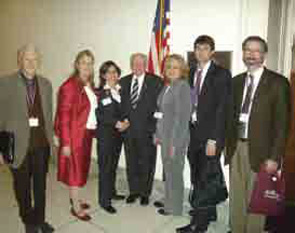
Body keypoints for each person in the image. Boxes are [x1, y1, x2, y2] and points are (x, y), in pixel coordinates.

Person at [225, 36, 290, 233]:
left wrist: (275, 157)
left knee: (257, 196)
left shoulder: (278, 83)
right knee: (237, 194)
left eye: (256, 50)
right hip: (236, 146)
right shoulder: (236, 81)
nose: (251, 54)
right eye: (247, 50)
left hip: (263, 150)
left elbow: (282, 124)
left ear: (264, 54)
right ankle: (237, 229)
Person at [177, 35, 232, 233]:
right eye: (197, 48)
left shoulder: (222, 74)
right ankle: (208, 212)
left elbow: (222, 110)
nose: (200, 52)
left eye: (205, 48)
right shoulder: (191, 72)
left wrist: (214, 140)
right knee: (197, 175)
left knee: (205, 178)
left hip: (210, 137)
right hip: (192, 133)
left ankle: (199, 225)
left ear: (212, 52)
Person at [0, 44, 54, 233]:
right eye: (26, 58)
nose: (31, 62)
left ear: (39, 61)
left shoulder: (46, 84)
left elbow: (48, 115)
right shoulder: (6, 83)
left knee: (41, 187)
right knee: (22, 187)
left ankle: (40, 219)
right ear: (20, 60)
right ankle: (28, 221)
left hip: (41, 145)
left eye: (34, 59)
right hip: (17, 146)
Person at [54, 50, 97, 221]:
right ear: (77, 65)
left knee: (80, 169)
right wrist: (65, 143)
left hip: (85, 135)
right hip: (74, 137)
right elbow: (63, 115)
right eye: (83, 62)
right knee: (74, 172)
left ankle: (76, 198)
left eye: (90, 62)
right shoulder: (70, 85)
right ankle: (76, 207)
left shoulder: (88, 84)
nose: (87, 66)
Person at [120, 53, 163, 205]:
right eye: (134, 63)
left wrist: (156, 130)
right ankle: (134, 191)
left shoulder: (156, 81)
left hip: (148, 131)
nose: (137, 66)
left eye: (140, 63)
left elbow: (160, 107)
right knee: (131, 162)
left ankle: (145, 193)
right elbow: (120, 106)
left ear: (145, 65)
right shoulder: (123, 82)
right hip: (128, 131)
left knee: (147, 162)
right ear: (131, 65)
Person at [154, 54, 191, 216]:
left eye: (175, 67)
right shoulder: (167, 86)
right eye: (168, 66)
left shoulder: (182, 87)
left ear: (182, 70)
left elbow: (182, 119)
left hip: (175, 139)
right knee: (168, 171)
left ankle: (174, 208)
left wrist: (174, 144)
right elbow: (161, 113)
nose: (171, 70)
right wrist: (157, 133)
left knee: (174, 173)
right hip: (165, 136)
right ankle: (169, 201)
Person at [95, 61, 126, 214]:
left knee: (112, 166)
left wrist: (126, 121)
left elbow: (125, 109)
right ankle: (104, 200)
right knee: (105, 168)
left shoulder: (121, 90)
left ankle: (111, 192)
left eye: (115, 72)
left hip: (118, 136)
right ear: (103, 75)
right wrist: (116, 123)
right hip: (106, 136)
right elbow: (99, 114)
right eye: (108, 72)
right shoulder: (100, 92)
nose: (112, 75)